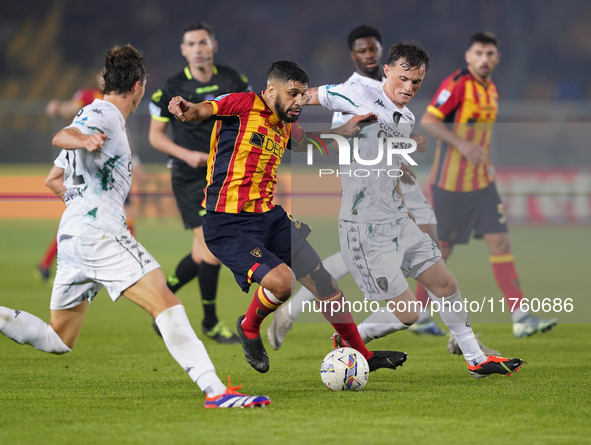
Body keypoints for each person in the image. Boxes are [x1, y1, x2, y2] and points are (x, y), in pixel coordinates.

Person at [0, 45, 269, 409]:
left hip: (74, 236)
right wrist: (84, 139)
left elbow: (53, 178)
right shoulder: (104, 113)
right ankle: (216, 392)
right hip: (101, 234)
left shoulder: (104, 117)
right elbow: (62, 136)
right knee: (167, 304)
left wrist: (79, 203)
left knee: (59, 338)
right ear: (139, 86)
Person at [168, 60, 408, 375]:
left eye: (301, 95)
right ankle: (249, 327)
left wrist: (345, 131)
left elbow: (305, 142)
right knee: (282, 284)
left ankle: (361, 353)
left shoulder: (286, 124)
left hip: (270, 218)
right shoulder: (243, 103)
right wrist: (187, 109)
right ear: (270, 90)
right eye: (291, 94)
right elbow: (204, 110)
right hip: (228, 223)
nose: (298, 102)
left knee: (324, 282)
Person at [300, 41, 522, 378]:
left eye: (416, 82)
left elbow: (389, 163)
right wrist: (265, 110)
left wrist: (406, 201)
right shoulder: (356, 92)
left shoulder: (406, 116)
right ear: (387, 71)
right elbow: (304, 95)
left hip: (397, 220)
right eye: (403, 78)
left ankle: (476, 359)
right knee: (409, 315)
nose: (408, 88)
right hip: (363, 226)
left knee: (445, 284)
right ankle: (348, 339)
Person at [420, 32, 558, 338]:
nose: (484, 59)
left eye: (490, 54)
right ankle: (417, 313)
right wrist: (462, 145)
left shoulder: (491, 90)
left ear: (497, 58)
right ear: (469, 57)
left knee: (500, 243)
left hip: (482, 183)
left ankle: (521, 316)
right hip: (451, 185)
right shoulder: (457, 84)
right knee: (442, 251)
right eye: (478, 53)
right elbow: (429, 121)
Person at [149, 23, 250, 344]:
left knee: (201, 252)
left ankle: (161, 301)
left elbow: (248, 117)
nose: (198, 48)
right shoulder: (171, 87)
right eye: (191, 43)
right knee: (211, 246)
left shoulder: (233, 79)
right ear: (184, 50)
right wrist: (188, 155)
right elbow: (155, 137)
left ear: (213, 45)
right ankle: (209, 322)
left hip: (222, 173)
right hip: (190, 176)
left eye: (203, 42)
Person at [39, 72, 142, 282]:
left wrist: (135, 160)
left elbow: (124, 134)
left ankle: (130, 263)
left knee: (110, 216)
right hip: (93, 169)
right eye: (104, 73)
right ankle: (132, 263)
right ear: (98, 77)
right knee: (82, 218)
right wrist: (59, 109)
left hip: (114, 167)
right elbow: (70, 110)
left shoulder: (117, 103)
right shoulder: (90, 98)